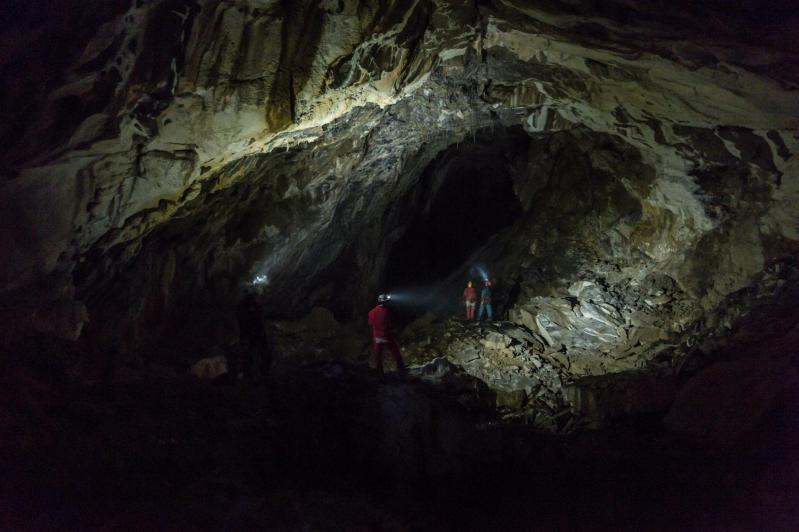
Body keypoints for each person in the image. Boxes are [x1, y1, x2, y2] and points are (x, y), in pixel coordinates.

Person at [235, 287, 273, 381]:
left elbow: (257, 318)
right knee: (253, 353)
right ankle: (257, 373)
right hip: (253, 333)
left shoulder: (244, 306)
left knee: (251, 354)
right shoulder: (249, 306)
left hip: (251, 333)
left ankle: (256, 373)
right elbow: (258, 319)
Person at [367, 294, 405, 374]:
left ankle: (379, 371)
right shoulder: (387, 311)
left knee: (378, 355)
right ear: (384, 302)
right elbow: (390, 323)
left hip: (377, 336)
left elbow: (370, 323)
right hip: (387, 335)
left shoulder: (371, 312)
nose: (388, 302)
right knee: (395, 351)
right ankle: (401, 367)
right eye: (387, 301)